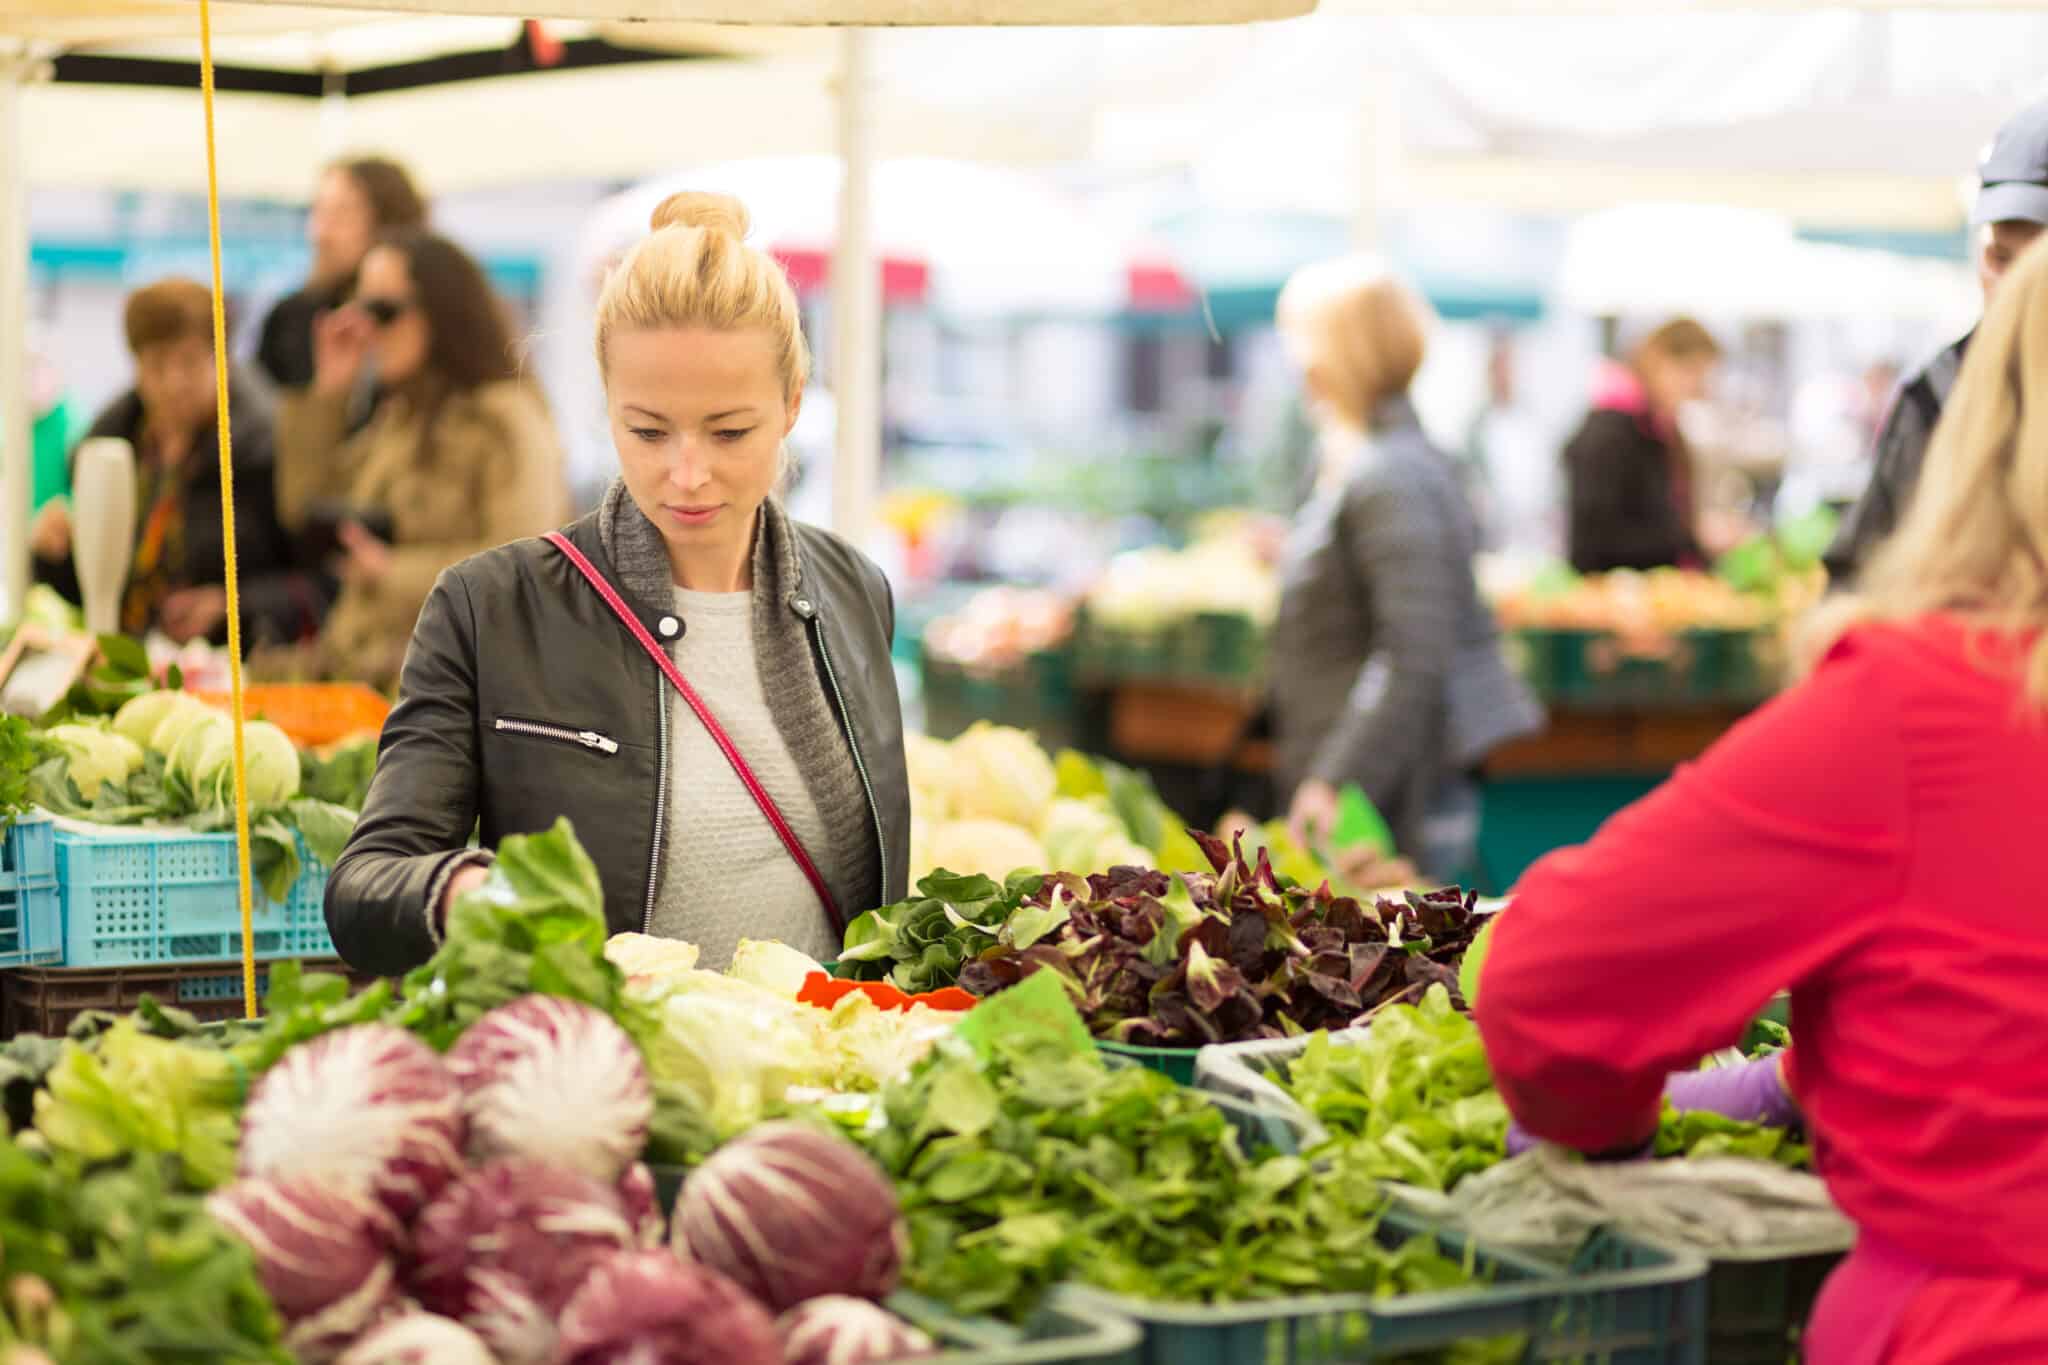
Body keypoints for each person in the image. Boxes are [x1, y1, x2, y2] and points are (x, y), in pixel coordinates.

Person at [1474, 235, 2048, 1363]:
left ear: (1983, 427)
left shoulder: (1920, 707)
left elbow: (1548, 985)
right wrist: (1796, 1078)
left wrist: (1611, 1122)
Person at [326, 192, 910, 977]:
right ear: (606, 405)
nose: (687, 472)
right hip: (603, 1076)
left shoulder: (854, 592)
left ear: (793, 404)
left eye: (730, 431)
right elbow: (365, 885)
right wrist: (464, 890)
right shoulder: (489, 608)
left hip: (820, 1078)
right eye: (648, 429)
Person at [1268, 256, 1540, 881]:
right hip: (1378, 784)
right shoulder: (1369, 460)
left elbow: (1413, 653)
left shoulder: (1389, 476)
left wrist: (1335, 779)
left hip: (1394, 799)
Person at [273, 228, 569, 688]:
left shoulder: (504, 419)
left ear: (442, 311)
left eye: (383, 311)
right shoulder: (400, 416)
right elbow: (303, 507)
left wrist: (390, 572)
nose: (366, 329)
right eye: (358, 309)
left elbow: (526, 567)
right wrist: (329, 396)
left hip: (448, 694)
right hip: (362, 678)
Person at [1823, 96, 2048, 587]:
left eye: (2035, 267)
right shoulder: (1937, 393)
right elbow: (1856, 574)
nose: (2012, 289)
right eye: (2000, 258)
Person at [30, 279, 321, 646]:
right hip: (135, 662)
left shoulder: (267, 449)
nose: (173, 381)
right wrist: (56, 556)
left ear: (222, 358)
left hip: (241, 670)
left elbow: (319, 585)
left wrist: (231, 608)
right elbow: (104, 596)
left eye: (189, 361)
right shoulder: (112, 449)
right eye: (156, 365)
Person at [1562, 318, 1722, 574]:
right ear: (1657, 359)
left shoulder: (1661, 427)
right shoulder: (1609, 432)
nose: (1697, 388)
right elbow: (1595, 540)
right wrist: (1690, 537)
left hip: (1657, 592)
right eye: (1690, 372)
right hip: (1614, 598)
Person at [256, 157, 427, 394]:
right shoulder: (291, 319)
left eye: (342, 213)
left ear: (388, 222)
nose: (321, 233)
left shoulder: (418, 320)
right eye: (318, 212)